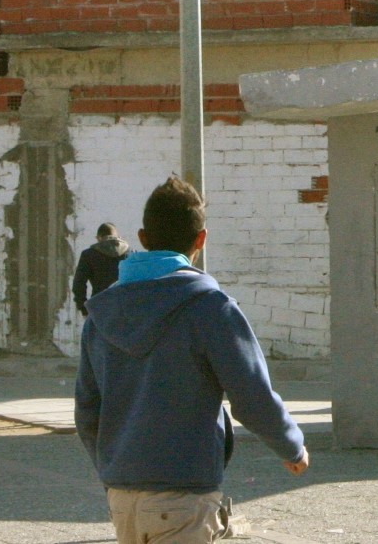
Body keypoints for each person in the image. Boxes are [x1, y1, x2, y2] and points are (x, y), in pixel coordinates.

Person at [75, 177, 308, 544]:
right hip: (184, 496)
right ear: (201, 239)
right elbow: (251, 395)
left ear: (143, 238)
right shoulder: (210, 308)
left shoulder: (101, 315)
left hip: (122, 500)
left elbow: (88, 412)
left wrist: (116, 470)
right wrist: (291, 446)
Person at [73, 222, 130, 317]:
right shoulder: (130, 253)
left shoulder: (88, 255)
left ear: (98, 238)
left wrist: (83, 309)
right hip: (125, 309)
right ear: (118, 237)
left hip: (99, 308)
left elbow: (78, 284)